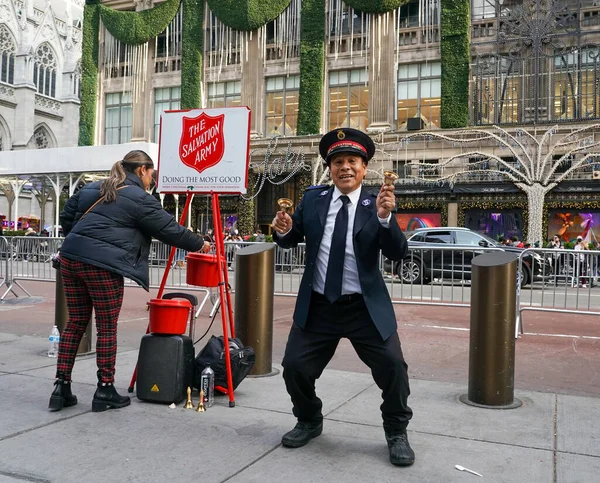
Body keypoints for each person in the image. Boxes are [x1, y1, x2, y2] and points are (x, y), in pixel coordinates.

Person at [271, 128, 414, 467]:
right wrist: (283, 229)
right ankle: (309, 419)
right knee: (294, 367)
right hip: (319, 306)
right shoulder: (314, 199)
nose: (345, 167)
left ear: (364, 168)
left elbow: (398, 252)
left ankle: (396, 431)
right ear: (330, 168)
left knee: (393, 367)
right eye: (338, 162)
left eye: (352, 161)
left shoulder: (376, 203)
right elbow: (292, 239)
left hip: (364, 307)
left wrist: (385, 218)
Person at [49, 150, 209, 413]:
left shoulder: (91, 188)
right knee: (107, 326)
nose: (151, 180)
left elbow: (68, 217)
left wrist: (83, 243)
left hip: (71, 259)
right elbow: (168, 229)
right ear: (141, 170)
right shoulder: (139, 198)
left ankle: (61, 387)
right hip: (103, 266)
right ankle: (105, 389)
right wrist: (199, 243)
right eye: (151, 174)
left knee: (75, 323)